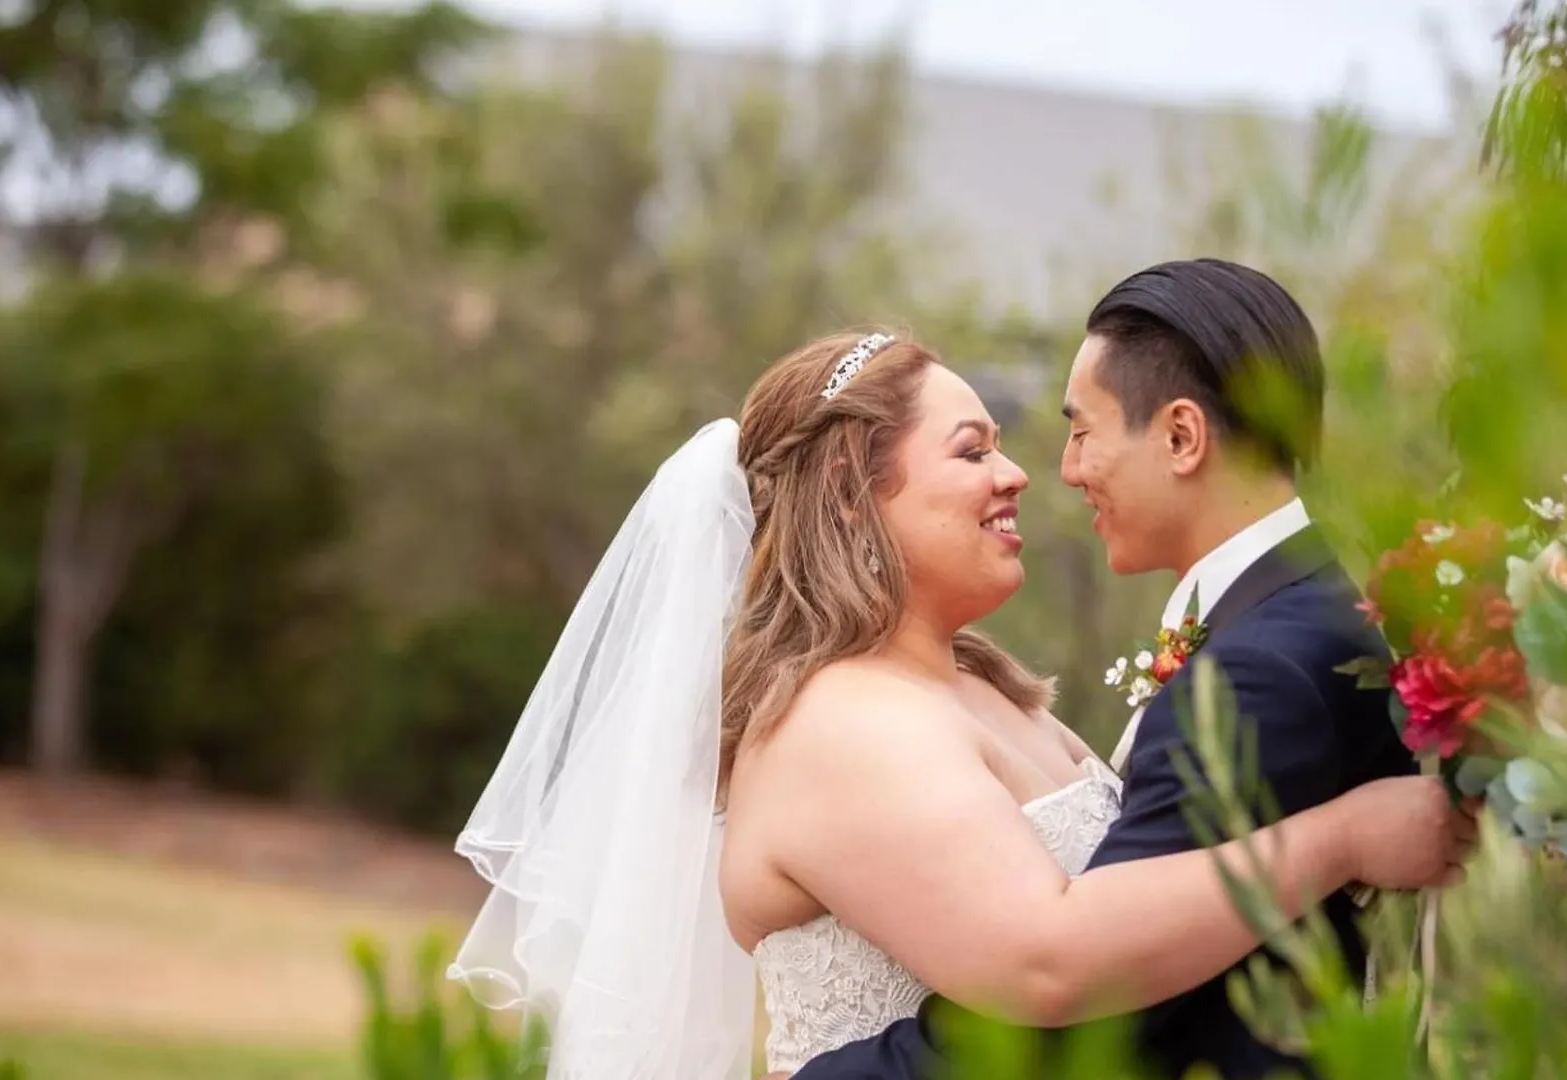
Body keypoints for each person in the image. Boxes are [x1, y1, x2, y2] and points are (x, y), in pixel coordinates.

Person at [448, 311, 1468, 1080]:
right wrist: (1343, 839)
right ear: (852, 498)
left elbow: (1145, 910)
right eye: (973, 450)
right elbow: (1048, 965)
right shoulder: (839, 723)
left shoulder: (984, 690)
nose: (1019, 474)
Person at [795, 259, 1435, 1080]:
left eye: (1083, 432)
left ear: (1180, 437)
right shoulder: (1302, 617)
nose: (1061, 470)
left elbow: (1097, 1010)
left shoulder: (1256, 673)